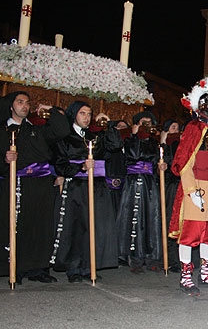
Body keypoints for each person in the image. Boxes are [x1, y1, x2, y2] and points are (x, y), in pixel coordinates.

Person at [0, 91, 69, 284]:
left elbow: (62, 130)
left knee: (41, 225)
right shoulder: (4, 131)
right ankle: (17, 267)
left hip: (41, 184)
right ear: (11, 106)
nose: (25, 106)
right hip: (17, 183)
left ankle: (38, 268)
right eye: (20, 102)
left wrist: (52, 111)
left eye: (27, 103)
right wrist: (5, 160)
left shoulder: (37, 130)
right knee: (19, 224)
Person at [50, 101, 120, 283]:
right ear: (74, 115)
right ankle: (74, 268)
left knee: (94, 227)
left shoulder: (95, 137)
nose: (86, 118)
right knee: (77, 227)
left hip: (97, 188)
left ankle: (90, 266)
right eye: (82, 113)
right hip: (77, 188)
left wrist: (109, 125)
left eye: (89, 114)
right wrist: (81, 167)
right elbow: (60, 165)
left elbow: (114, 146)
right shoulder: (65, 138)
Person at [170, 93, 208, 294]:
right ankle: (185, 277)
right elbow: (184, 161)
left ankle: (205, 273)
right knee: (190, 233)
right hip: (195, 187)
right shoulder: (193, 128)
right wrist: (191, 191)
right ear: (204, 106)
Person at [116, 111, 165, 273]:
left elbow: (154, 161)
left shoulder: (153, 142)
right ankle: (135, 258)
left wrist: (160, 167)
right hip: (134, 182)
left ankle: (152, 256)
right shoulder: (129, 140)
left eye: (149, 123)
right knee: (135, 218)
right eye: (143, 123)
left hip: (149, 183)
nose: (147, 126)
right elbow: (134, 155)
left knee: (153, 217)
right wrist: (135, 135)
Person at [160, 119, 182, 272]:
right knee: (169, 220)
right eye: (173, 128)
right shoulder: (164, 146)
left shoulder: (180, 145)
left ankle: (182, 258)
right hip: (170, 187)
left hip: (182, 185)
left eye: (178, 128)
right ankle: (170, 258)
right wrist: (162, 142)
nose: (176, 130)